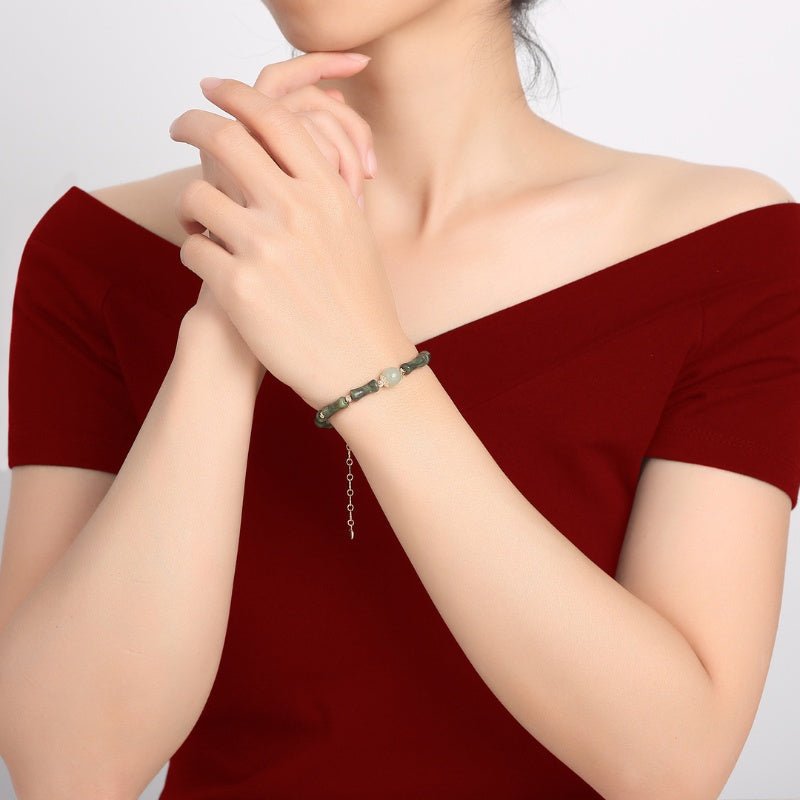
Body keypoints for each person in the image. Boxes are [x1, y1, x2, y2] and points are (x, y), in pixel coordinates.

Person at [1, 1, 798, 797]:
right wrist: (225, 316)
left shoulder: (731, 257)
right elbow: (65, 769)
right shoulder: (97, 253)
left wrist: (361, 359)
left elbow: (669, 766)